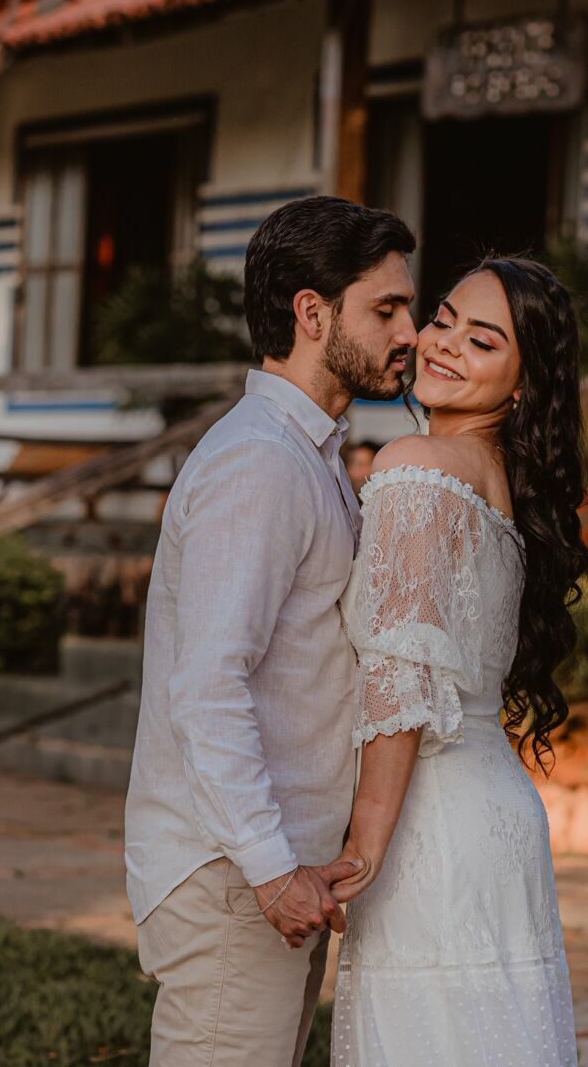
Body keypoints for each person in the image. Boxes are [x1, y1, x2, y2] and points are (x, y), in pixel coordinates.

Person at [125, 195, 417, 1067]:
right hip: (235, 875)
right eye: (387, 309)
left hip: (272, 867)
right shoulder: (259, 462)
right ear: (312, 313)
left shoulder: (306, 454)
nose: (410, 333)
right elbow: (207, 687)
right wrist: (269, 867)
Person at [328, 256, 588, 1066]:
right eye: (443, 320)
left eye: (482, 341)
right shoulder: (501, 483)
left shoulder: (419, 466)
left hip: (428, 821)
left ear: (523, 386)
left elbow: (401, 675)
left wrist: (365, 841)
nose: (442, 344)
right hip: (497, 815)